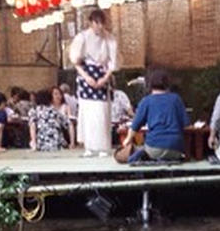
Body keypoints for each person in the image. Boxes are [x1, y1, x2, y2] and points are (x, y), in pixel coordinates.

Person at [69, 8, 118, 157]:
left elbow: (113, 62)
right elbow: (76, 61)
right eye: (96, 23)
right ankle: (89, 147)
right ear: (90, 23)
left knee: (102, 112)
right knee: (87, 112)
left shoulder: (109, 39)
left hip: (102, 74)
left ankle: (103, 147)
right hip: (86, 76)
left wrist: (105, 78)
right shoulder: (82, 37)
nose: (99, 26)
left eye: (102, 23)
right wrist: (86, 77)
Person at [122, 68, 188, 162]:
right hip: (176, 148)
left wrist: (127, 140)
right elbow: (186, 124)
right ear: (167, 83)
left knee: (140, 149)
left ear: (150, 84)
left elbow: (135, 125)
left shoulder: (146, 101)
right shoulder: (176, 99)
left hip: (154, 147)